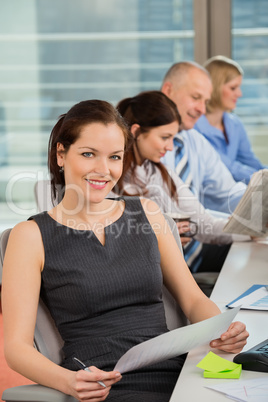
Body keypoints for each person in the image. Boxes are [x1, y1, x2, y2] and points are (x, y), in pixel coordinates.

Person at [2, 100, 249, 402]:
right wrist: (69, 382)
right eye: (88, 154)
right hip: (101, 382)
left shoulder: (148, 213)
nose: (103, 170)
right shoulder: (30, 236)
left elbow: (194, 298)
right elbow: (16, 347)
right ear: (61, 154)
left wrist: (221, 330)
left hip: (179, 371)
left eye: (115, 157)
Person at [114, 90, 249, 273]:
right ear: (136, 131)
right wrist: (160, 238)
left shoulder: (160, 172)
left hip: (173, 270)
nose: (170, 147)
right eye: (164, 138)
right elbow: (110, 244)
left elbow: (203, 223)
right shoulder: (112, 177)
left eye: (172, 138)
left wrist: (250, 227)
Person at [161, 61, 247, 214]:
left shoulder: (196, 142)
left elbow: (228, 194)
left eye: (205, 102)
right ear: (168, 90)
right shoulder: (140, 141)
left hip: (198, 233)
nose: (201, 109)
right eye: (195, 97)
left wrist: (259, 204)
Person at [195, 55, 267, 184]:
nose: (239, 94)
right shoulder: (195, 127)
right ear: (215, 88)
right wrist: (262, 179)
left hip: (235, 195)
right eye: (233, 88)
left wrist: (265, 173)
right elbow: (228, 167)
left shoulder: (235, 124)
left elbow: (250, 161)